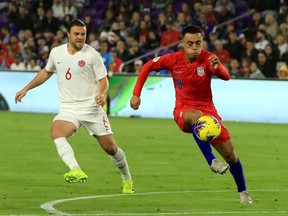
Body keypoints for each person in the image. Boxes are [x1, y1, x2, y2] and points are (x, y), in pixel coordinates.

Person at [130, 25, 252, 204]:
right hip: (183, 110)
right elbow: (148, 66)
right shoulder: (173, 59)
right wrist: (136, 93)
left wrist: (217, 68)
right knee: (196, 116)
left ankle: (243, 192)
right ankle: (211, 161)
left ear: (202, 42)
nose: (195, 47)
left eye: (198, 43)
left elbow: (226, 76)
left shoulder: (209, 58)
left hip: (208, 112)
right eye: (190, 44)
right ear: (183, 43)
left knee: (231, 156)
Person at [15, 19, 134, 194]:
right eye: (76, 34)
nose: (80, 37)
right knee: (57, 132)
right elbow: (47, 71)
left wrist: (101, 94)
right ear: (68, 35)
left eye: (83, 34)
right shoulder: (56, 53)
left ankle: (127, 179)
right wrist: (26, 88)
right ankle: (75, 169)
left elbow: (103, 80)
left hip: (91, 108)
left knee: (111, 148)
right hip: (69, 107)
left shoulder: (92, 54)